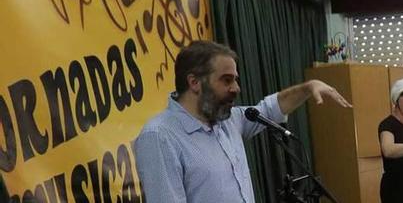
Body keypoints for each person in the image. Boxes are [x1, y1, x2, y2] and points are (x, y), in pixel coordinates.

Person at [133, 41, 351, 203]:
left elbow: (270, 108)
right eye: (226, 80)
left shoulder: (227, 119)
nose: (236, 88)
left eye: (235, 80)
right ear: (194, 82)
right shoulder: (159, 136)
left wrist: (307, 87)